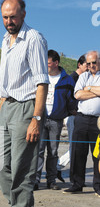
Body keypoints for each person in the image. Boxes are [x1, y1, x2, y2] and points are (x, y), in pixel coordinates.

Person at [0, 0, 49, 207]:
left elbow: (41, 82)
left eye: (13, 16)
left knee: (21, 167)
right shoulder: (5, 40)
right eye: (5, 17)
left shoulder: (33, 38)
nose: (9, 22)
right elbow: (6, 84)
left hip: (27, 108)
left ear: (23, 14)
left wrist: (36, 118)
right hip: (7, 106)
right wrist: (1, 110)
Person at [35, 50, 77, 190]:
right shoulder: (40, 76)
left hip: (57, 120)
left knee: (53, 151)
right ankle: (35, 180)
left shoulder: (67, 79)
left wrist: (72, 112)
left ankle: (51, 181)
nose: (45, 65)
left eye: (47, 63)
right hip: (40, 118)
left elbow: (71, 100)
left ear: (56, 63)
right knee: (39, 150)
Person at [64, 50, 100, 195]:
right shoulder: (83, 76)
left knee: (97, 154)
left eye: (94, 62)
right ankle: (77, 184)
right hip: (81, 118)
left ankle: (98, 186)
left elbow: (84, 92)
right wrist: (96, 92)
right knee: (78, 152)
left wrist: (89, 88)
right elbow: (77, 94)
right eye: (89, 63)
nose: (91, 65)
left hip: (98, 121)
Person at [56, 54, 87, 182]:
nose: (89, 67)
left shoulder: (85, 78)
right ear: (79, 64)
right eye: (87, 64)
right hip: (72, 116)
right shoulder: (72, 78)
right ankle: (57, 166)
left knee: (77, 146)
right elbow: (67, 96)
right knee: (75, 146)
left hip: (80, 116)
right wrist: (71, 110)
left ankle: (73, 174)